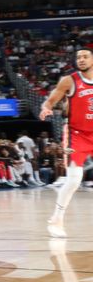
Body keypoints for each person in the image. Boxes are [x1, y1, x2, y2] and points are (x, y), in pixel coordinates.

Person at [40, 47, 93, 238]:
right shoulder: (69, 80)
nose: (81, 59)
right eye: (78, 57)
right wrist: (46, 108)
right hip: (76, 135)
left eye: (85, 56)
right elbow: (50, 101)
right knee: (74, 180)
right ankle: (56, 219)